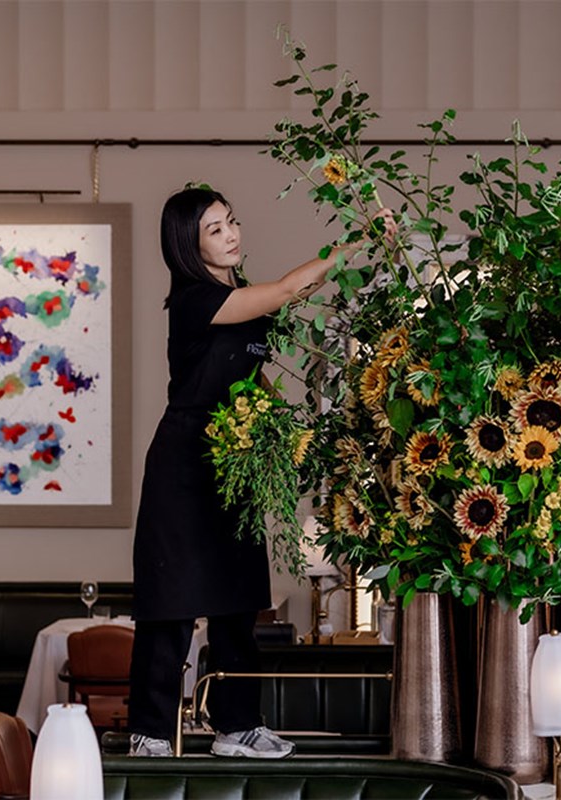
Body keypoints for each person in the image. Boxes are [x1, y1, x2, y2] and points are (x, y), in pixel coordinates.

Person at [127, 186, 396, 758]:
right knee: (172, 602)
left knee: (238, 599)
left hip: (235, 458)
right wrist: (358, 240)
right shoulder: (196, 300)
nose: (231, 235)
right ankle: (149, 733)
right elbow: (290, 288)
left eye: (232, 222)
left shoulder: (241, 298)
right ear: (189, 245)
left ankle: (237, 726)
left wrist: (282, 427)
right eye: (215, 230)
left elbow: (263, 352)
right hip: (184, 464)